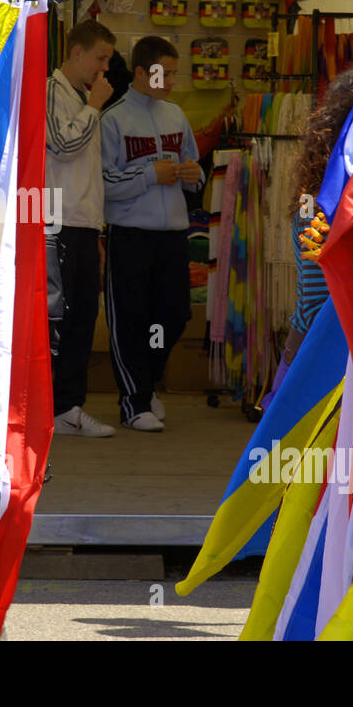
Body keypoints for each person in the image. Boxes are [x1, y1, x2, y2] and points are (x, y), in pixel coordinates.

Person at [100, 36, 203, 431]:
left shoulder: (176, 116)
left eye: (176, 72)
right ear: (141, 72)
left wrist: (196, 175)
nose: (172, 80)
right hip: (130, 236)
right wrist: (148, 175)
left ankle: (148, 380)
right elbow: (104, 183)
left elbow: (192, 166)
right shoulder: (113, 120)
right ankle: (134, 402)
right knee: (130, 319)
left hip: (172, 236)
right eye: (165, 72)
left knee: (172, 315)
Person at [259, 65, 353, 410]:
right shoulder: (323, 202)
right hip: (324, 363)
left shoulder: (322, 193)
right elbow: (315, 301)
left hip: (322, 355)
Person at [47, 18, 117, 437]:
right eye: (99, 58)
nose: (103, 68)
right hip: (58, 223)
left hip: (84, 224)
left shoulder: (80, 95)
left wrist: (98, 228)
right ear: (76, 53)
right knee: (60, 320)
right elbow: (62, 144)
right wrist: (95, 106)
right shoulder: (51, 90)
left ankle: (68, 407)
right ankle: (53, 406)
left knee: (83, 318)